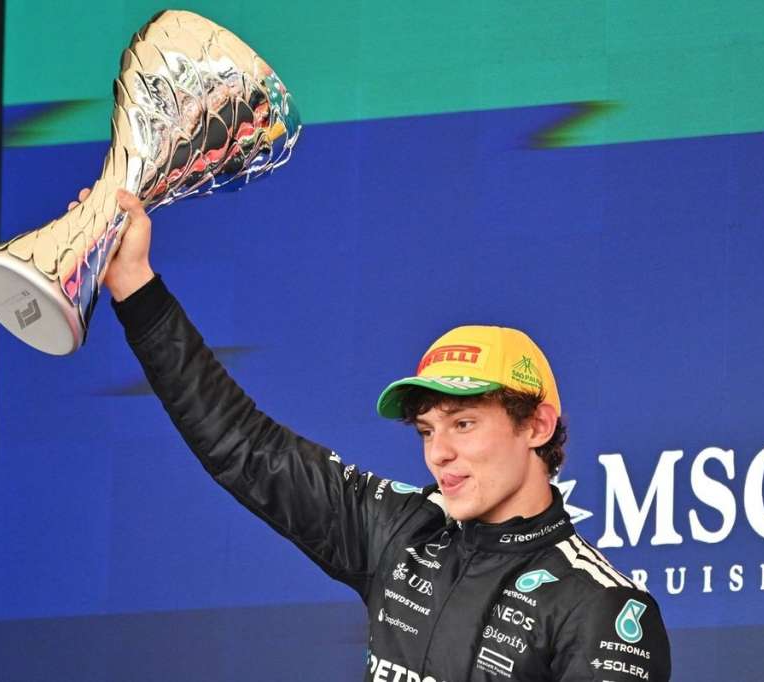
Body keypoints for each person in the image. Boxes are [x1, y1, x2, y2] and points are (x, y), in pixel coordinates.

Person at [89, 187, 671, 681]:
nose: (440, 453)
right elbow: (243, 445)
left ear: (536, 426)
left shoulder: (603, 610)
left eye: (464, 424)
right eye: (427, 430)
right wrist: (136, 287)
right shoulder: (402, 531)